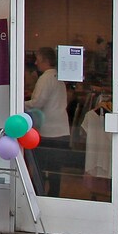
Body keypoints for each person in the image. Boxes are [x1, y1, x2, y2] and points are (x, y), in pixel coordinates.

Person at [27, 45, 72, 196]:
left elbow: (38, 102)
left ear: (45, 60)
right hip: (62, 129)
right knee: (55, 170)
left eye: (37, 60)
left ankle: (39, 195)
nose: (35, 63)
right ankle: (54, 197)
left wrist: (21, 103)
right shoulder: (59, 77)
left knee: (39, 167)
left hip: (49, 131)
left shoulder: (45, 78)